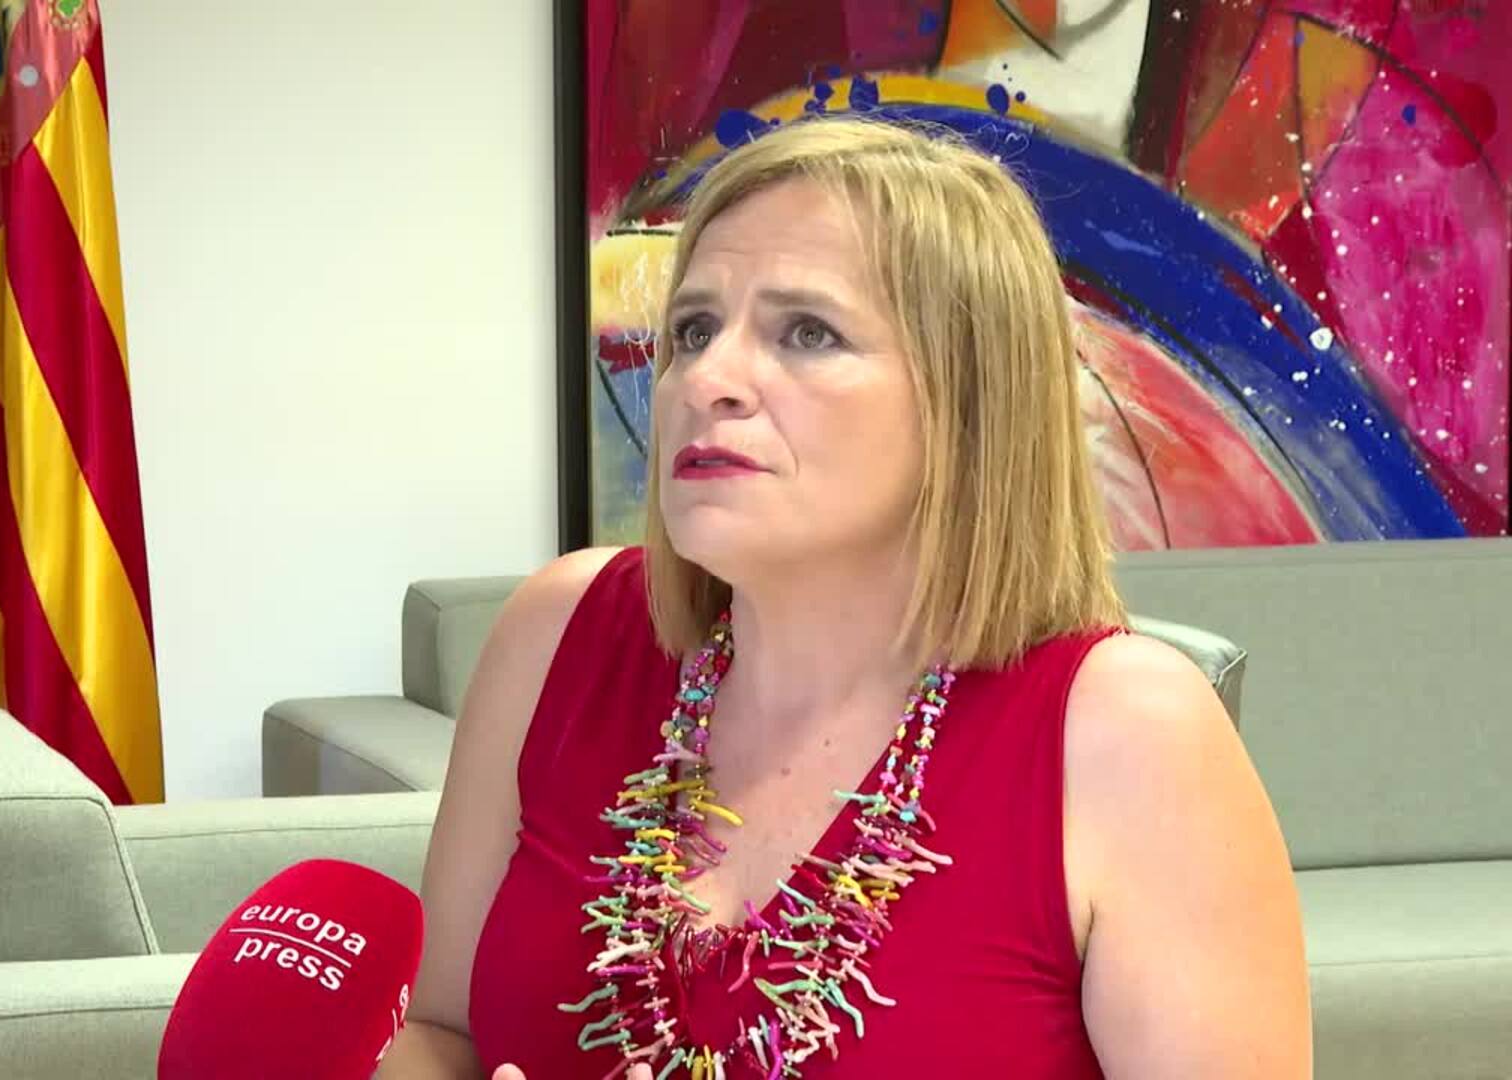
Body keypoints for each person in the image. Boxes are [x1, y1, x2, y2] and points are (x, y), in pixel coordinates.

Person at [376, 117, 1309, 1079]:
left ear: (968, 402)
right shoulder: (561, 633)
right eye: (694, 330)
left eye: (807, 333)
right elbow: (440, 1032)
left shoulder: (1129, 729)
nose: (707, 379)